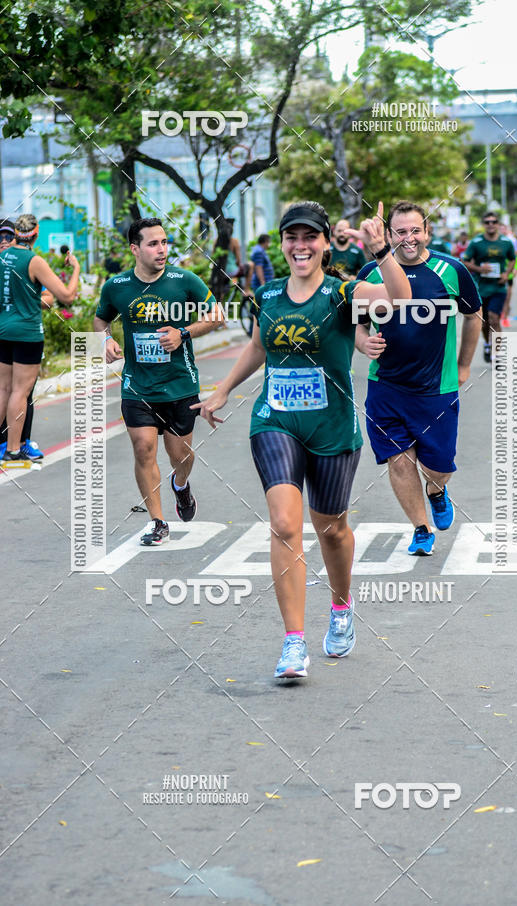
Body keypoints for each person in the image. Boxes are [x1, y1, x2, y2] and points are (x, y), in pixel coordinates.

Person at [196, 200, 411, 679]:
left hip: (333, 429)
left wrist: (380, 251)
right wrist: (223, 389)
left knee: (331, 529)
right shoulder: (268, 295)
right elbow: (257, 346)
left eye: (309, 237)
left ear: (323, 242)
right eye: (291, 237)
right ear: (283, 243)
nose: (300, 246)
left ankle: (340, 606)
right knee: (284, 524)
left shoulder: (345, 293)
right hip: (276, 422)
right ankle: (293, 642)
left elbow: (396, 297)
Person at [354, 200, 481, 557]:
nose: (409, 238)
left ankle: (437, 491)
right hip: (386, 386)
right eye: (400, 232)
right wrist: (365, 343)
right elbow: (356, 325)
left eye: (415, 231)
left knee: (437, 466)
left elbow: (474, 316)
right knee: (399, 460)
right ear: (389, 234)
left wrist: (465, 364)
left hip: (436, 389)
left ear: (427, 232)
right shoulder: (371, 274)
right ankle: (421, 528)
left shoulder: (451, 270)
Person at [95, 217, 224, 544]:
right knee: (143, 448)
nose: (162, 249)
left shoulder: (185, 281)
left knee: (180, 456)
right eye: (153, 244)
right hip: (138, 386)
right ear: (134, 248)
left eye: (165, 242)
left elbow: (217, 315)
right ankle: (157, 521)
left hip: (180, 385)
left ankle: (180, 485)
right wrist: (106, 340)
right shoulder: (117, 287)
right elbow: (100, 319)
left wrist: (183, 333)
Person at [0, 214, 80, 462]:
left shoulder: (2, 257)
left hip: (3, 331)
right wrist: (75, 268)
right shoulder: (34, 261)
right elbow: (66, 296)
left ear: (15, 235)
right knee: (20, 392)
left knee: (2, 389)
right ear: (35, 235)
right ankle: (14, 448)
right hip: (27, 334)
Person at [463, 212, 515, 362]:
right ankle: (487, 342)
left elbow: (512, 259)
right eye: (487, 222)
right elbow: (465, 261)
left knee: (494, 319)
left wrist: (506, 273)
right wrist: (480, 269)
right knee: (484, 322)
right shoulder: (476, 242)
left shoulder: (506, 242)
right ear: (484, 224)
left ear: (498, 224)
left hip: (498, 287)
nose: (491, 224)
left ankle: (497, 354)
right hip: (481, 287)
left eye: (494, 221)